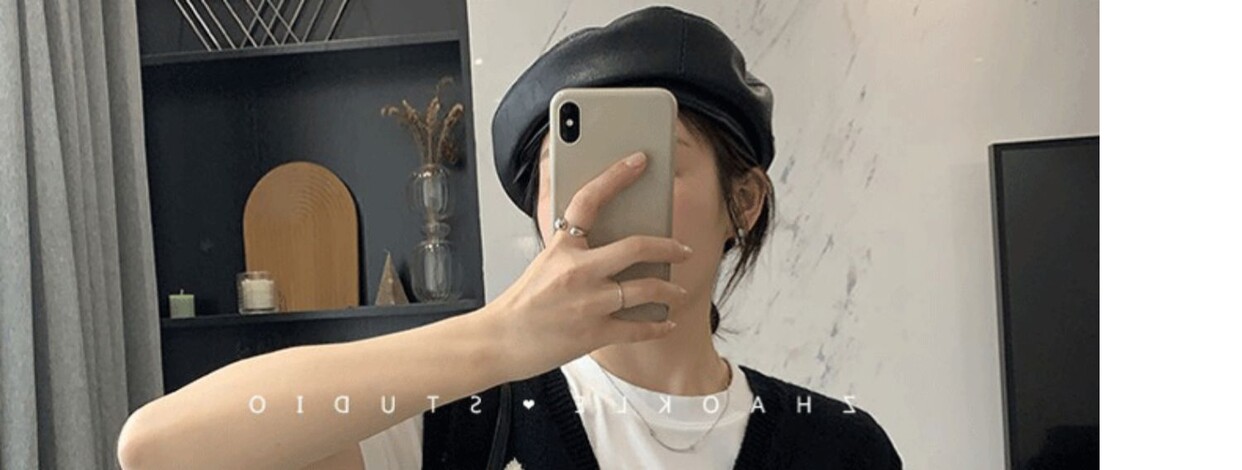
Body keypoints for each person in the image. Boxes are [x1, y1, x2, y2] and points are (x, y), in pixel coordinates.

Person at [116, 6, 901, 470]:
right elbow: (156, 448)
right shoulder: (460, 425)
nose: (603, 196)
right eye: (569, 170)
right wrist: (499, 339)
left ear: (745, 202)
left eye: (652, 164)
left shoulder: (838, 447)